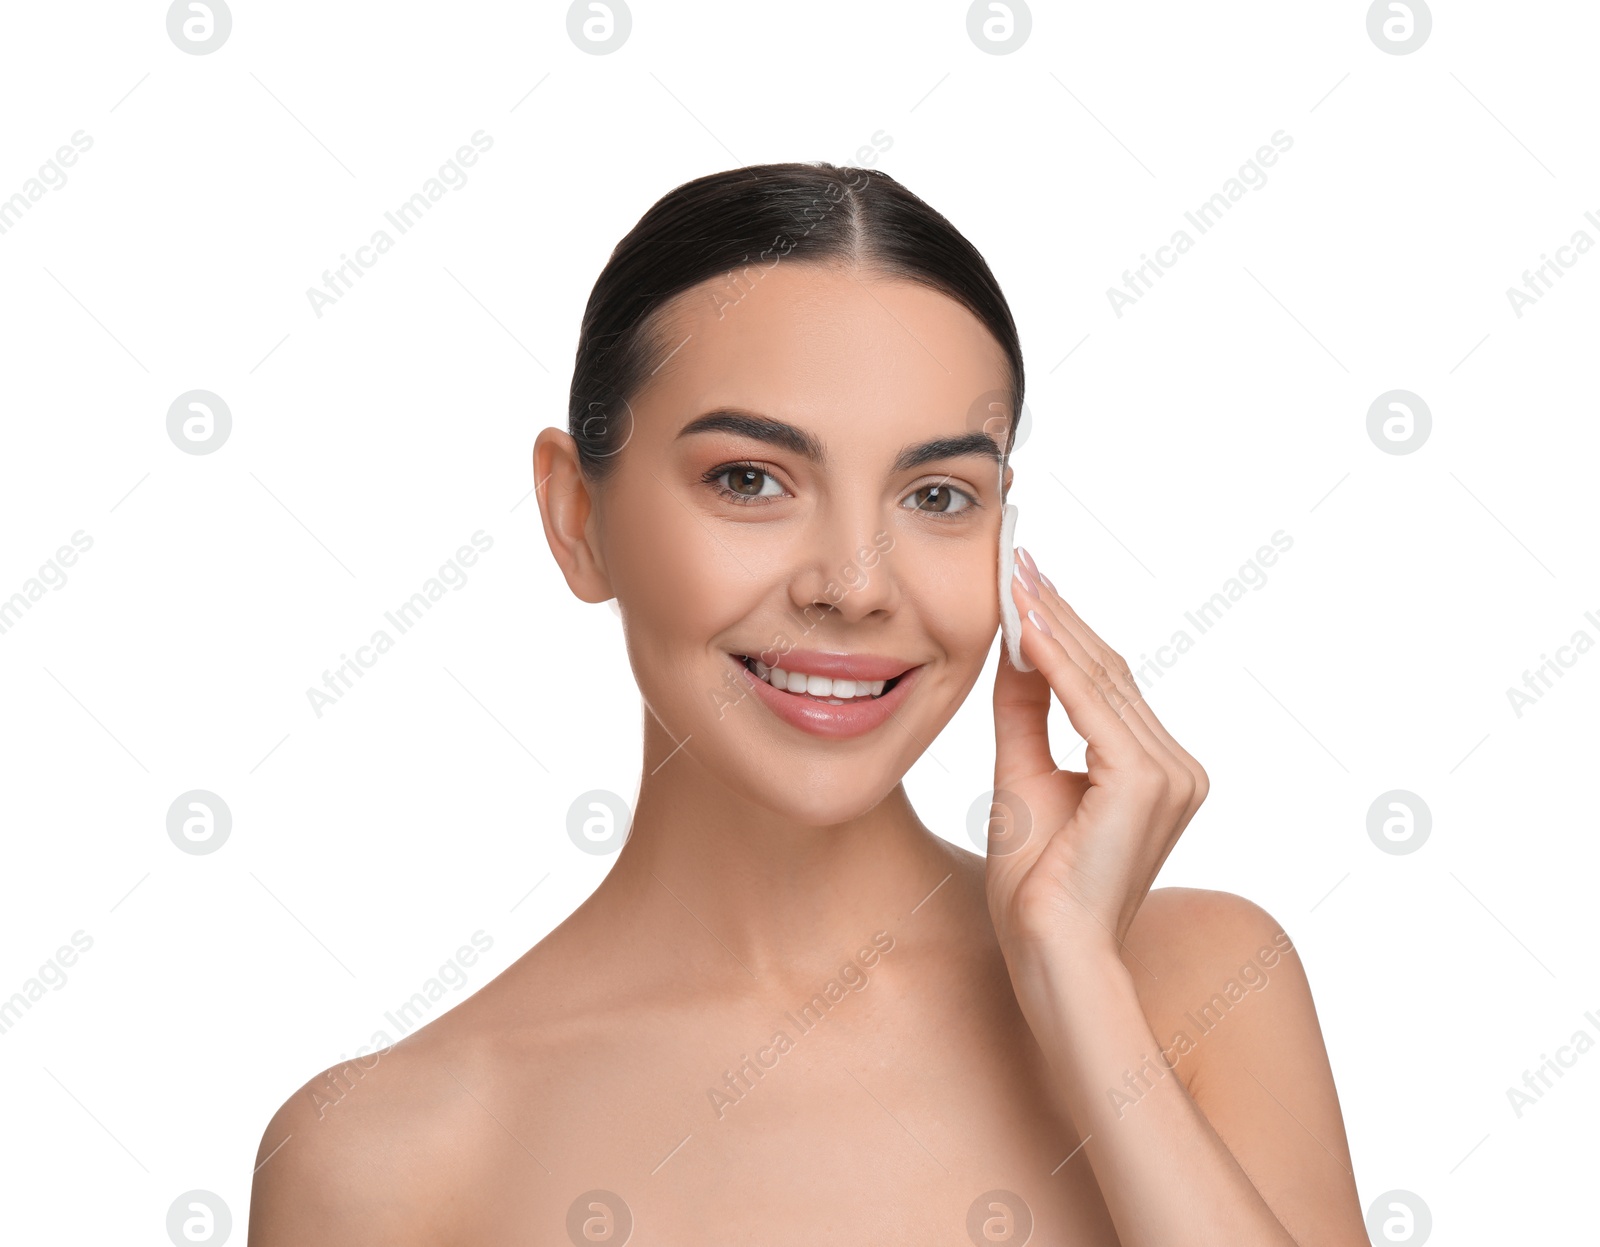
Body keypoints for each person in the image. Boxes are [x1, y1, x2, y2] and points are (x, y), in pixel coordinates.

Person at [249, 162, 1368, 1245]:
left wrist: (1078, 987)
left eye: (937, 495)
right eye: (749, 479)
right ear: (575, 515)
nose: (855, 583)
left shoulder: (1198, 980)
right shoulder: (383, 1155)